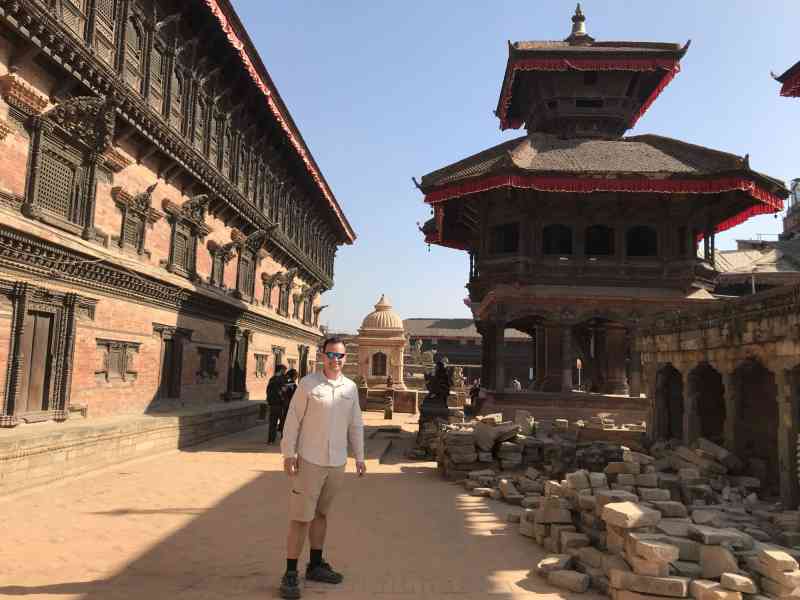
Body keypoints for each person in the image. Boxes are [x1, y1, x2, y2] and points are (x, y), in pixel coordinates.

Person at [279, 337, 365, 599]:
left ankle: (315, 564)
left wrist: (359, 457)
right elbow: (293, 418)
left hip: (337, 461)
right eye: (330, 355)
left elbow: (355, 424)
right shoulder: (308, 384)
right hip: (310, 459)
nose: (335, 360)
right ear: (322, 356)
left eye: (339, 356)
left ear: (345, 358)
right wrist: (288, 453)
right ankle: (290, 572)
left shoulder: (350, 388)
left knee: (321, 514)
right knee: (301, 516)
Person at [267, 364, 287, 444]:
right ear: (281, 370)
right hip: (280, 403)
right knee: (283, 422)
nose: (285, 372)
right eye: (284, 370)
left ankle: (271, 440)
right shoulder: (281, 379)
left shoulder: (272, 379)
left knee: (273, 422)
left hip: (272, 403)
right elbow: (283, 390)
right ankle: (284, 439)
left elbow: (268, 390)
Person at [280, 368, 298, 437]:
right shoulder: (291, 384)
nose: (296, 376)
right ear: (293, 376)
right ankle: (285, 434)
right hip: (289, 405)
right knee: (287, 420)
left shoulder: (286, 383)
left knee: (284, 419)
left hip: (285, 404)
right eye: (296, 375)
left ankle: (283, 434)